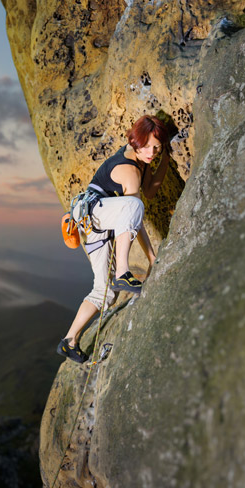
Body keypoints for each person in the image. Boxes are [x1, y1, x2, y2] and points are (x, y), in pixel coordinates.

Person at [57, 114, 171, 363]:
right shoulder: (129, 169)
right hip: (98, 216)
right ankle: (122, 272)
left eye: (157, 148)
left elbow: (151, 191)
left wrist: (166, 159)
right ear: (135, 141)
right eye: (149, 146)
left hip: (95, 226)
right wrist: (151, 257)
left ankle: (69, 341)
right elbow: (134, 211)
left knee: (104, 293)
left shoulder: (141, 158)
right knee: (134, 205)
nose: (152, 152)